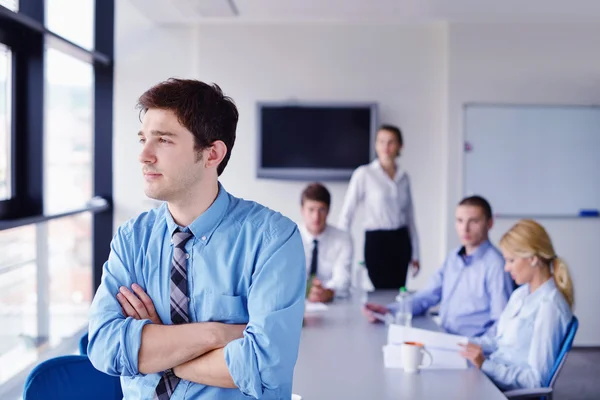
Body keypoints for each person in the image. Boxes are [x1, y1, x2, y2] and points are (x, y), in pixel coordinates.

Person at [87, 78, 306, 399]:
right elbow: (105, 348)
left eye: (163, 140)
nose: (144, 155)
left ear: (212, 153)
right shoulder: (132, 239)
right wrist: (216, 334)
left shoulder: (272, 239)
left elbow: (263, 367)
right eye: (143, 139)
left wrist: (159, 348)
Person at [363, 196, 514, 338]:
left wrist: (476, 347)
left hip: (473, 347)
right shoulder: (453, 257)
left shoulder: (496, 265)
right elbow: (427, 296)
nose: (465, 228)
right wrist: (390, 310)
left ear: (489, 223)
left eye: (473, 221)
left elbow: (501, 323)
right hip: (446, 337)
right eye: (460, 221)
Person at [460, 219, 574, 391]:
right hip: (491, 378)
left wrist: (485, 365)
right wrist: (463, 343)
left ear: (533, 259)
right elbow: (500, 343)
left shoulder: (550, 307)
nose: (506, 268)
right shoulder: (520, 294)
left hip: (503, 389)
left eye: (511, 260)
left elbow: (536, 381)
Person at [338, 124, 419, 289]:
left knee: (397, 292)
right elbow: (347, 213)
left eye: (391, 142)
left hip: (400, 240)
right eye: (381, 141)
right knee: (380, 291)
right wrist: (340, 250)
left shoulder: (404, 177)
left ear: (399, 146)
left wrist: (416, 253)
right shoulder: (364, 174)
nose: (386, 147)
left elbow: (410, 217)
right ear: (376, 145)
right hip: (377, 241)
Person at [299, 183, 353, 302]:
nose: (316, 217)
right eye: (311, 210)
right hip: (297, 305)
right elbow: (286, 279)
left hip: (333, 305)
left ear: (328, 211)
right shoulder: (289, 238)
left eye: (321, 210)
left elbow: (343, 280)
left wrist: (327, 291)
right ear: (302, 210)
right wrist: (306, 291)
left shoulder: (342, 238)